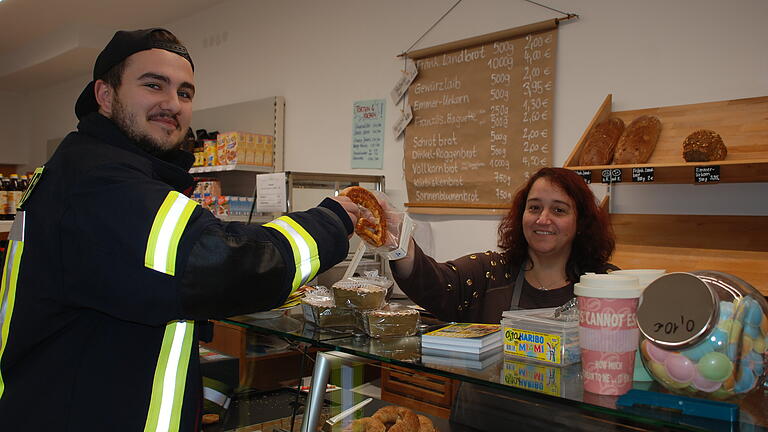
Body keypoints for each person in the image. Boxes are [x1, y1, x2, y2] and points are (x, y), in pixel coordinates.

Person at [0, 28, 360, 431]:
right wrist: (332, 220)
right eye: (153, 85)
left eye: (185, 93)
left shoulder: (95, 169)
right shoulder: (101, 180)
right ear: (105, 95)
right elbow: (226, 264)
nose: (172, 104)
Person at [390, 167, 616, 323]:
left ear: (581, 222)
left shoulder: (605, 285)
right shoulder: (488, 272)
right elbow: (434, 283)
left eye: (559, 210)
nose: (543, 219)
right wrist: (397, 239)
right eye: (534, 208)